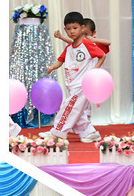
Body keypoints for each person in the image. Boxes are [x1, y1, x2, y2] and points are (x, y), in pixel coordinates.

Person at [45, 10, 106, 141]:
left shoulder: (87, 44)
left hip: (82, 84)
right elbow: (60, 61)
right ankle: (90, 133)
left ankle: (56, 133)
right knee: (77, 110)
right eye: (68, 29)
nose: (71, 31)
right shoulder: (69, 48)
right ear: (65, 29)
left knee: (69, 107)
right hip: (72, 85)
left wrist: (94, 71)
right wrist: (51, 67)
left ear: (82, 28)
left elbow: (102, 55)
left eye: (75, 28)